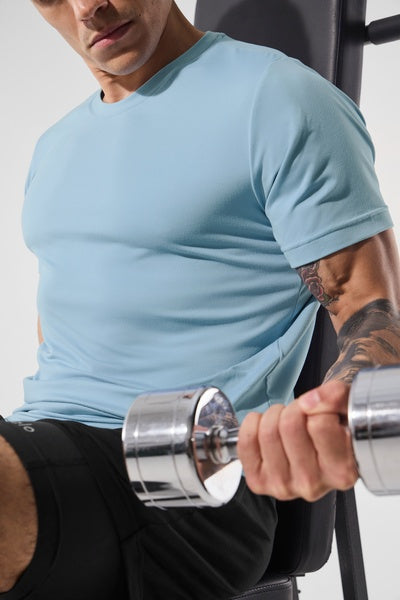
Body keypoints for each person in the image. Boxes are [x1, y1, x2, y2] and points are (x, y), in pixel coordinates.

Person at [1, 1, 400, 598]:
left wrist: (337, 409)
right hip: (48, 444)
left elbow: (376, 310)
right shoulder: (55, 146)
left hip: (194, 479)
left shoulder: (278, 97)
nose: (88, 7)